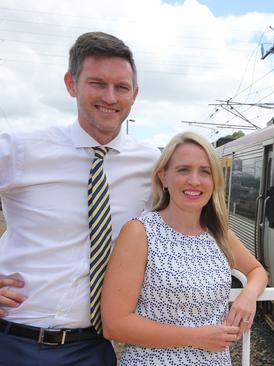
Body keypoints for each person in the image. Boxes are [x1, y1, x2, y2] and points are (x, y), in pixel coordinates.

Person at [0, 32, 159, 365]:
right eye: (97, 83)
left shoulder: (152, 163)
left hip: (94, 348)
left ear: (135, 95)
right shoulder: (20, 148)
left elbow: (192, 222)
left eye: (122, 87)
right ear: (71, 84)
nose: (110, 97)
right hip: (13, 341)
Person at [101, 132, 268, 365]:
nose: (195, 181)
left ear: (214, 181)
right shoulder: (140, 232)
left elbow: (257, 270)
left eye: (205, 171)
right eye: (183, 170)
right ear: (164, 177)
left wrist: (248, 296)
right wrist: (195, 337)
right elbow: (114, 324)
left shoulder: (218, 234)